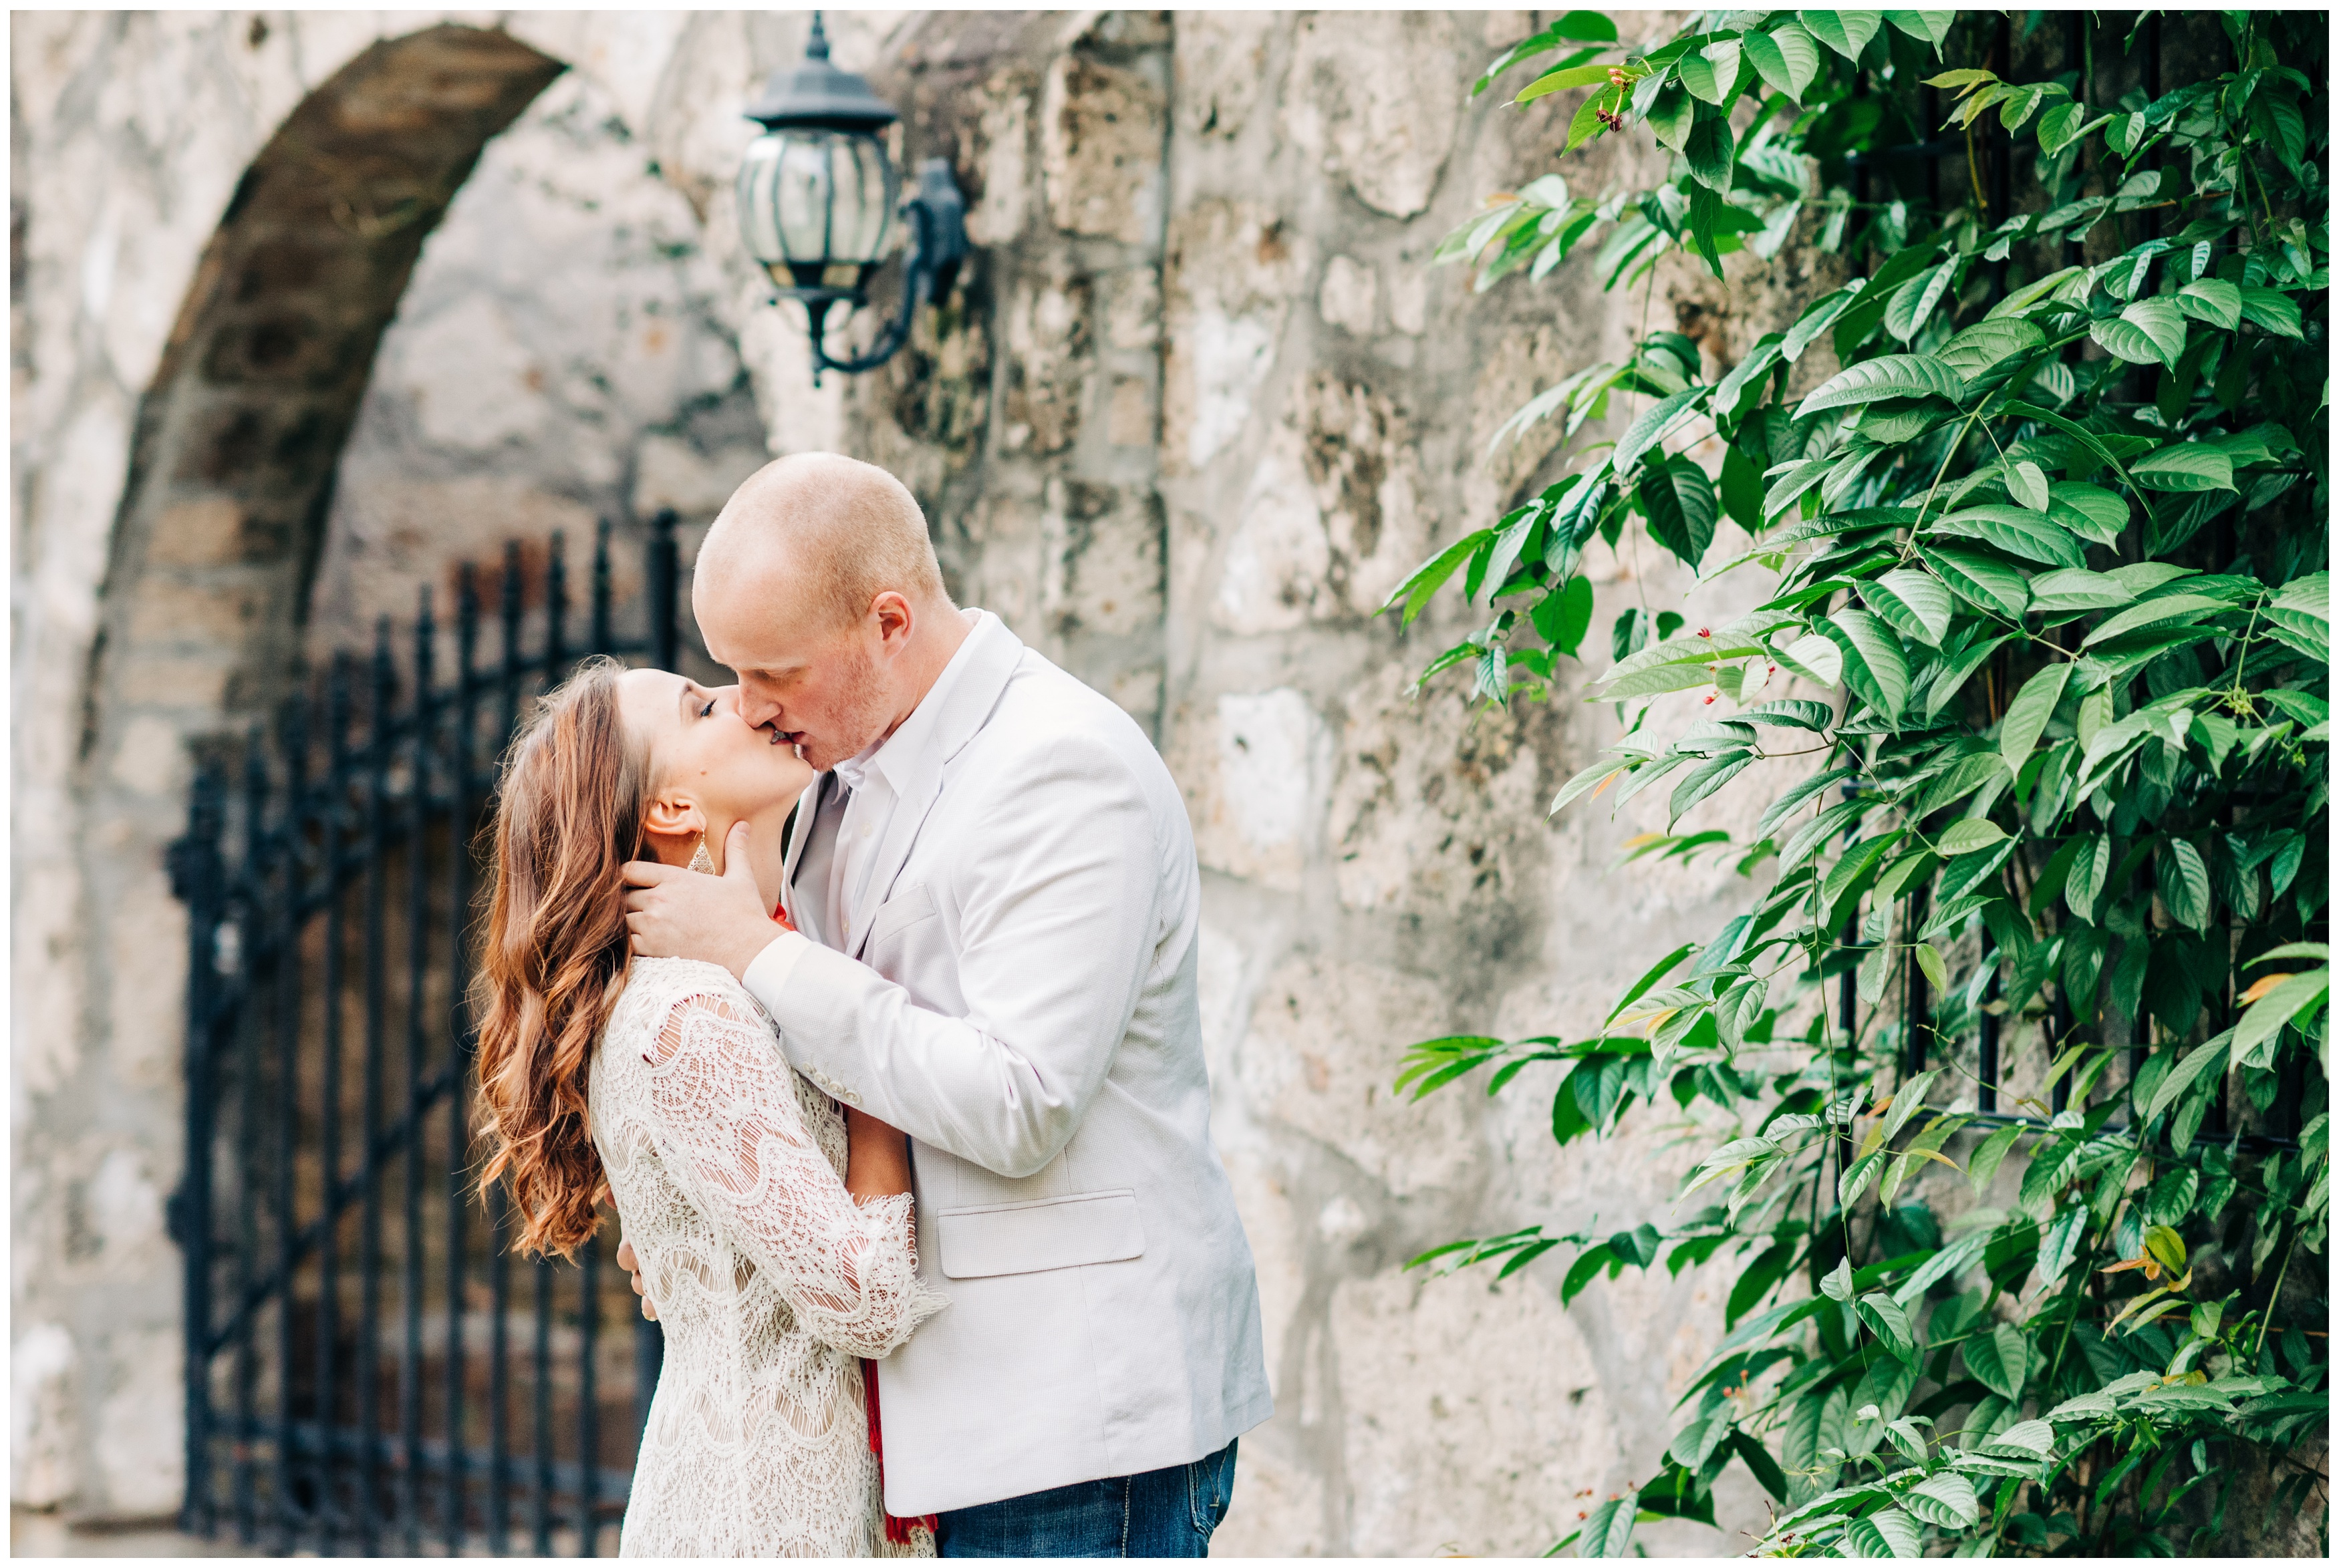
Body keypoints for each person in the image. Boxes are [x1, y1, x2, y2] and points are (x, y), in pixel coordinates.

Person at [619, 452, 1271, 1557]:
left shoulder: (1064, 769)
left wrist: (753, 954)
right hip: (930, 1427)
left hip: (1074, 1422)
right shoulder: (823, 768)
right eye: (732, 674)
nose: (752, 707)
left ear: (889, 621)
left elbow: (1020, 1103)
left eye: (774, 671)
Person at [473, 657, 947, 1557]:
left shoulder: (746, 973)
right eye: (700, 706)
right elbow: (865, 1301)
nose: (739, 698)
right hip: (768, 1519)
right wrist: (873, 1076)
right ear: (672, 811)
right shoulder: (691, 1016)